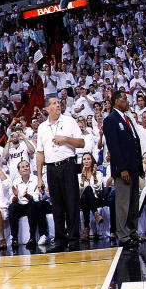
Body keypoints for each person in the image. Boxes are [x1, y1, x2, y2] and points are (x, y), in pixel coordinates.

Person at [36, 96, 85, 252]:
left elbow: (81, 143)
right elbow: (39, 153)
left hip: (68, 165)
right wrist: (39, 177)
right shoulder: (42, 127)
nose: (58, 105)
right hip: (51, 168)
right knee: (57, 205)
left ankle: (74, 239)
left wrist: (65, 139)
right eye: (54, 103)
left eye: (58, 103)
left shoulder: (69, 121)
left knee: (72, 203)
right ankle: (60, 240)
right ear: (47, 109)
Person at [102, 89, 142, 248]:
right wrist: (122, 168)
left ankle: (132, 231)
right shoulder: (110, 119)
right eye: (125, 98)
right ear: (116, 101)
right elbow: (114, 146)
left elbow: (134, 143)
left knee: (133, 202)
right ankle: (123, 235)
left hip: (133, 167)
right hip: (123, 169)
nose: (127, 101)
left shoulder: (127, 118)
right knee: (123, 203)